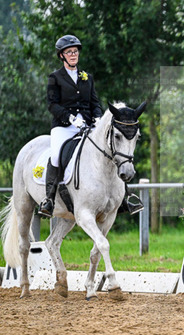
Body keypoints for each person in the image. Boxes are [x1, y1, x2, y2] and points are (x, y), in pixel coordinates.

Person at [39, 35, 143, 217]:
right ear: (62, 56)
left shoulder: (87, 77)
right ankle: (49, 199)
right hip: (64, 126)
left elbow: (95, 103)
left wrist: (97, 118)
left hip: (87, 125)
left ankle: (125, 197)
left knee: (111, 150)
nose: (73, 54)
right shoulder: (55, 78)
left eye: (75, 51)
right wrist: (70, 118)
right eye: (69, 52)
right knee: (55, 155)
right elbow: (52, 105)